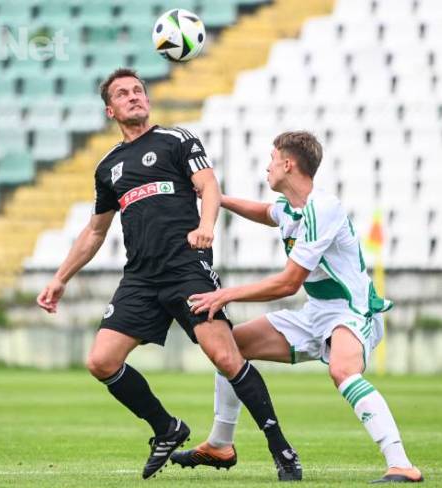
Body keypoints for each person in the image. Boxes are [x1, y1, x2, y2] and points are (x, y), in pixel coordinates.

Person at [36, 68, 302, 481]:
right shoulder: (108, 167)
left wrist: (206, 226)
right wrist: (60, 278)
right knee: (101, 361)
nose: (133, 96)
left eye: (138, 90)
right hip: (140, 279)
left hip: (186, 268)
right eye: (122, 93)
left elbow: (209, 186)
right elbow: (95, 231)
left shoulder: (176, 140)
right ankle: (166, 427)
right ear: (110, 110)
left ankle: (281, 449)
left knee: (226, 357)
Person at [170, 131, 424, 484]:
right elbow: (266, 212)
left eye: (272, 160)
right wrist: (220, 199)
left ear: (288, 164)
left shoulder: (323, 208)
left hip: (352, 310)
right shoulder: (291, 207)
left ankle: (401, 464)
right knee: (230, 347)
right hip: (316, 312)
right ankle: (220, 444)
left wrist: (225, 294)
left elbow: (288, 283)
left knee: (343, 371)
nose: (267, 167)